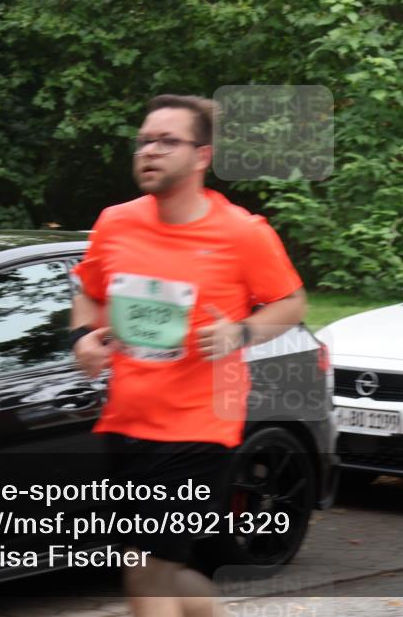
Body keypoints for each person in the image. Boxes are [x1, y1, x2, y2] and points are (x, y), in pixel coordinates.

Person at [69, 94, 307, 617]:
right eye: (144, 141)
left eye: (167, 141)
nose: (150, 151)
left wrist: (241, 332)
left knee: (144, 567)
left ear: (203, 156)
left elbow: (291, 302)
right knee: (168, 567)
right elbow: (87, 289)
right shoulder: (116, 223)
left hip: (200, 427)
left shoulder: (242, 233)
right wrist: (86, 336)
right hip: (128, 420)